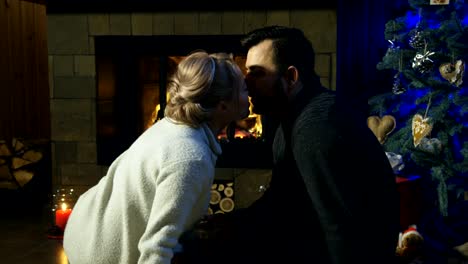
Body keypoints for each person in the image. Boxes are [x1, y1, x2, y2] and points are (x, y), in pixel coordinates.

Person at [225, 25, 400, 264]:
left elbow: (342, 230)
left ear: (290, 77)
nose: (245, 83)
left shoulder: (317, 128)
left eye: (256, 73)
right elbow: (281, 199)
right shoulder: (289, 116)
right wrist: (228, 223)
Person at [63, 51, 250, 264]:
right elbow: (156, 248)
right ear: (223, 105)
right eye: (244, 89)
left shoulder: (171, 125)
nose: (249, 94)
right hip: (99, 254)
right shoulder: (191, 158)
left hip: (84, 230)